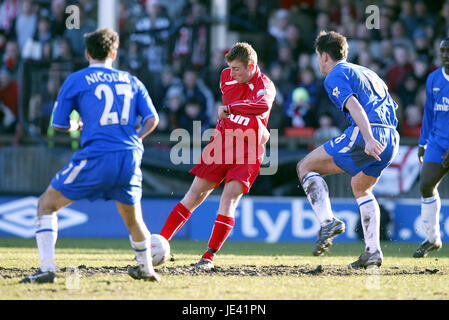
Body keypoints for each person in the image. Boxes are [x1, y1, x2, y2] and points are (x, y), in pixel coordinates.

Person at [20, 28, 161, 283]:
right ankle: (147, 269)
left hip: (97, 156)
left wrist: (78, 125)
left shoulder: (76, 80)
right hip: (129, 157)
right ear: (114, 53)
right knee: (134, 219)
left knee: (45, 205)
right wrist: (134, 138)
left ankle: (48, 269)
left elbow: (59, 124)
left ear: (87, 53)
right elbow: (153, 119)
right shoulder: (131, 80)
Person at [159, 42, 275, 270]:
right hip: (222, 143)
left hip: (249, 149)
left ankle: (208, 257)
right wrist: (234, 113)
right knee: (194, 195)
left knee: (229, 198)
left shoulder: (266, 85)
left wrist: (232, 110)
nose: (231, 73)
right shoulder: (225, 77)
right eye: (230, 68)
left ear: (251, 66)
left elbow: (261, 106)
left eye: (237, 69)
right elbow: (237, 108)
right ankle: (159, 243)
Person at [297, 31, 399, 269]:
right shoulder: (369, 73)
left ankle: (328, 222)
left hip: (368, 133)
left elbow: (353, 106)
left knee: (305, 166)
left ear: (323, 56)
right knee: (360, 187)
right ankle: (373, 251)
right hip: (391, 136)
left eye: (317, 56)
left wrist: (369, 137)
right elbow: (392, 106)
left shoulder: (335, 74)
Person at [413, 39, 449, 258]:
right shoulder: (433, 78)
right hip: (437, 142)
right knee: (426, 184)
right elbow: (429, 112)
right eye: (443, 50)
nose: (445, 54)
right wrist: (422, 142)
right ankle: (432, 238)